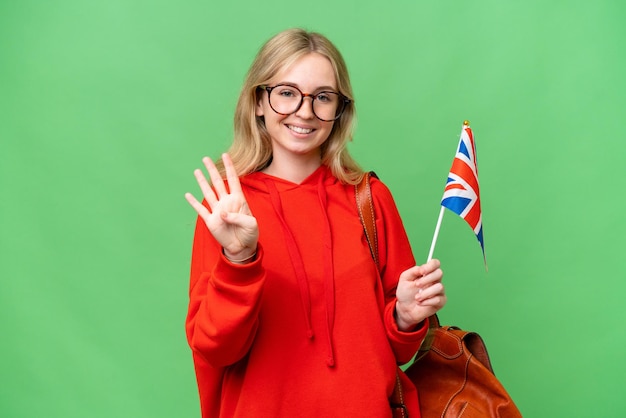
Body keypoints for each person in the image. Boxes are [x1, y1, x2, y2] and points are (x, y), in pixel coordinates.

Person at [184, 28, 446, 418]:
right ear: (259, 101)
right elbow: (216, 348)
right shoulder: (227, 209)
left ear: (340, 110)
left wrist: (406, 318)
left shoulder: (370, 199)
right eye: (287, 92)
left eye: (322, 97)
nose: (305, 111)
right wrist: (238, 258)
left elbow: (395, 350)